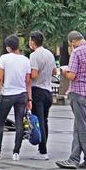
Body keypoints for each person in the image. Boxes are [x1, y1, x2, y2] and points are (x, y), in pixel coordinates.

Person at [56, 31, 86, 170]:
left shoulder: (76, 52)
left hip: (79, 93)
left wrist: (64, 71)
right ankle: (75, 158)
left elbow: (71, 75)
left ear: (72, 42)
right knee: (80, 126)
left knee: (81, 128)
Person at [0, 35, 32, 161]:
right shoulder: (26, 60)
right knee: (19, 123)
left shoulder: (4, 58)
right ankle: (16, 152)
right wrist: (29, 99)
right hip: (22, 94)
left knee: (0, 122)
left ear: (8, 47)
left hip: (7, 94)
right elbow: (28, 81)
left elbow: (0, 78)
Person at [29, 31, 56, 160]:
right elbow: (54, 71)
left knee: (39, 121)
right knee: (44, 120)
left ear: (32, 42)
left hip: (37, 90)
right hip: (48, 91)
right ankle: (42, 149)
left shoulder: (34, 55)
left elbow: (34, 75)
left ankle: (43, 151)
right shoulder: (49, 54)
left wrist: (26, 75)